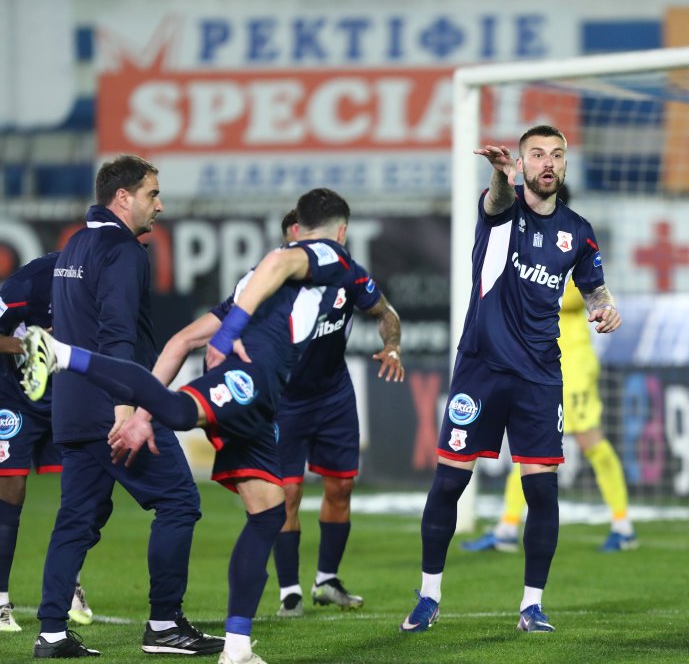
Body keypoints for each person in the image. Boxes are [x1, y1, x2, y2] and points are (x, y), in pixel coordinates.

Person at [22, 187, 402, 664]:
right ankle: (61, 354)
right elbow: (280, 263)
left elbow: (181, 342)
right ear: (340, 230)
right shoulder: (326, 253)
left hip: (264, 405)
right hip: (249, 380)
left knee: (267, 512)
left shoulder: (256, 282)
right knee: (181, 419)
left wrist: (142, 417)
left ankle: (237, 647)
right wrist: (227, 337)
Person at [400, 124, 621, 634]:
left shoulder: (578, 231)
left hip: (540, 376)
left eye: (557, 155)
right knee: (450, 482)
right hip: (481, 367)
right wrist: (500, 176)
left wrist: (606, 308)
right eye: (537, 154)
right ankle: (429, 595)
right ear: (521, 164)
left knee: (542, 493)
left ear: (565, 164)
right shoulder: (502, 209)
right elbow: (497, 200)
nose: (548, 163)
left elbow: (595, 289)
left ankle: (532, 606)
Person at [30, 155, 216, 658]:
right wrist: (126, 409)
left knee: (76, 519)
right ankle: (164, 625)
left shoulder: (74, 245)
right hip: (113, 408)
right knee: (179, 502)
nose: (160, 205)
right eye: (152, 194)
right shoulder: (123, 251)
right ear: (123, 197)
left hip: (71, 406)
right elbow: (116, 334)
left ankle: (51, 633)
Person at [461, 185, 635, 555]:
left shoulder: (572, 241)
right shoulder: (527, 239)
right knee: (528, 448)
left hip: (572, 365)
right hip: (538, 363)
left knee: (590, 442)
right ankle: (507, 528)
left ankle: (622, 525)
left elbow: (583, 293)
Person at [272, 207, 404, 617]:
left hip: (333, 396)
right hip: (285, 401)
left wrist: (392, 345)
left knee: (341, 487)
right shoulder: (269, 280)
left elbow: (386, 312)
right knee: (287, 494)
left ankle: (326, 580)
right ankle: (289, 591)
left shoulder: (348, 274)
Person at [0, 253, 100, 633]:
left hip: (68, 400)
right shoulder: (26, 283)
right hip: (17, 399)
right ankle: (0, 601)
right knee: (11, 490)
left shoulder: (108, 282)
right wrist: (26, 346)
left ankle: (68, 584)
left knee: (83, 494)